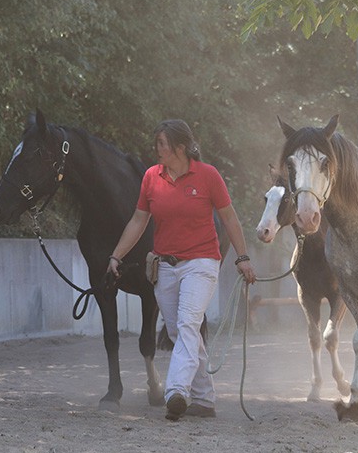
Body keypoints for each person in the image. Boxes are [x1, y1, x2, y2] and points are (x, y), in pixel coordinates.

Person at [107, 119, 256, 421]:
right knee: (178, 331)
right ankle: (204, 398)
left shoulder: (208, 176)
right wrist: (116, 256)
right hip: (165, 266)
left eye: (162, 144)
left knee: (188, 324)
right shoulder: (151, 177)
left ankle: (177, 391)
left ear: (180, 147)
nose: (157, 149)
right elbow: (138, 220)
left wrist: (242, 257)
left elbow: (230, 219)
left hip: (201, 263)